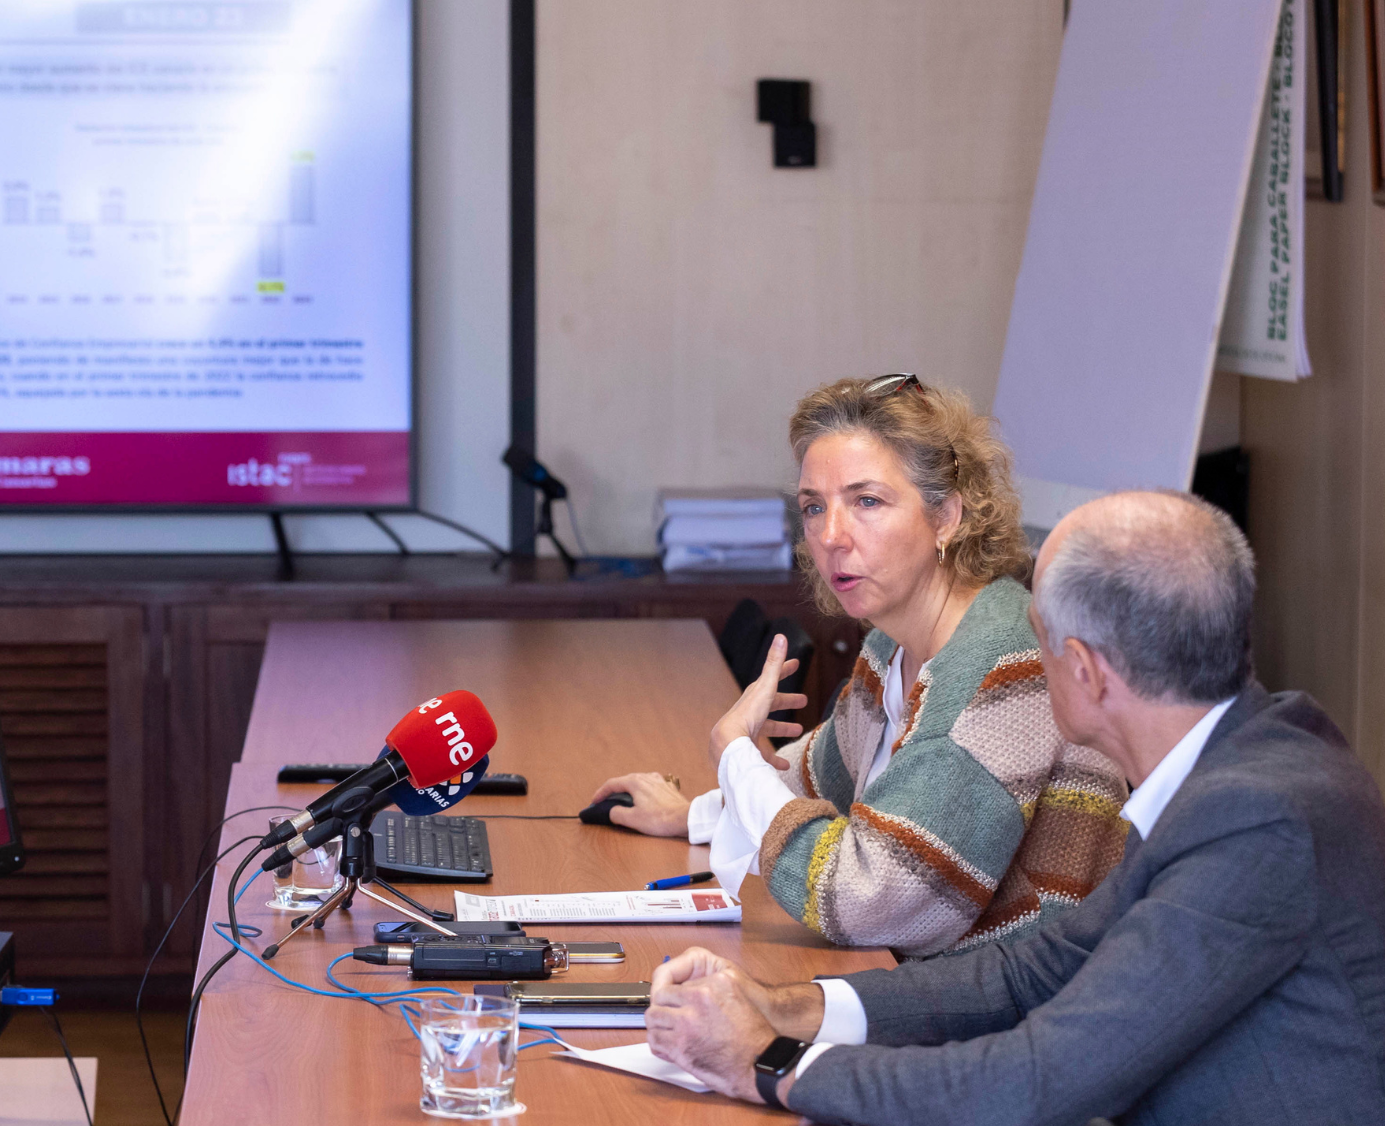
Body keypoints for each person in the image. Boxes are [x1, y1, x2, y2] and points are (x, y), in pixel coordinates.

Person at [643, 490, 1385, 1124]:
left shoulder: (1255, 821)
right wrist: (787, 1007)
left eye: (1042, 642)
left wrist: (765, 1064)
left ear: (1087, 673)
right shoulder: (1240, 760)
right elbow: (1026, 976)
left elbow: (1040, 1079)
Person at [593, 375, 1127, 956]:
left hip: (1013, 1018)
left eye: (866, 501)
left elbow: (872, 903)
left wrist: (735, 758)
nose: (830, 536)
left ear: (946, 516)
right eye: (813, 507)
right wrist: (696, 814)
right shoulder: (891, 645)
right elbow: (824, 778)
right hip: (919, 985)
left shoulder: (1007, 668)